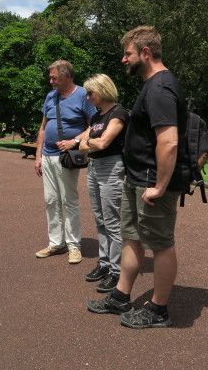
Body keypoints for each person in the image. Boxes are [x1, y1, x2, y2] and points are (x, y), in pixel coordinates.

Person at [87, 26, 189, 329]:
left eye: (127, 53)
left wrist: (159, 186)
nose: (123, 59)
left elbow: (168, 141)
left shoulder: (160, 88)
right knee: (131, 237)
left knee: (160, 243)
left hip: (151, 183)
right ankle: (121, 296)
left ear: (145, 53)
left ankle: (159, 310)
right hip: (136, 178)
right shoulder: (151, 85)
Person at [35, 60, 97, 264]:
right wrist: (38, 156)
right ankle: (56, 243)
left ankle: (73, 246)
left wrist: (75, 141)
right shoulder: (50, 96)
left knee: (69, 201)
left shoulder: (83, 95)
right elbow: (43, 128)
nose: (50, 80)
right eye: (50, 76)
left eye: (54, 77)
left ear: (67, 76)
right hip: (48, 155)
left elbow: (94, 127)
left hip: (67, 157)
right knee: (50, 200)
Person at [77, 74, 129, 292]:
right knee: (100, 219)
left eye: (90, 93)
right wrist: (91, 143)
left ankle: (117, 271)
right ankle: (105, 263)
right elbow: (82, 144)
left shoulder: (119, 113)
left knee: (112, 220)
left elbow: (105, 142)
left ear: (103, 90)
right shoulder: (98, 117)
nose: (87, 97)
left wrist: (89, 142)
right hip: (94, 167)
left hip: (111, 167)